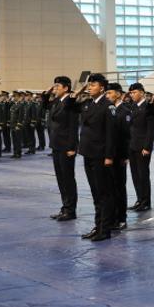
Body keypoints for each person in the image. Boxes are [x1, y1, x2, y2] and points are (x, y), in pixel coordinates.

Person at [76, 74, 117, 242]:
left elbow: (111, 134)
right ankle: (98, 225)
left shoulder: (108, 106)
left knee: (103, 193)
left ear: (102, 88)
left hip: (101, 155)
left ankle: (105, 229)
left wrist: (109, 156)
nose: (89, 87)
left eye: (93, 85)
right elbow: (72, 104)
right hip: (88, 153)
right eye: (89, 85)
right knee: (95, 193)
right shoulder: (89, 104)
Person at [44, 77, 80, 221]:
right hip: (56, 145)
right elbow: (44, 104)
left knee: (68, 179)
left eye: (58, 86)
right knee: (61, 179)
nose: (55, 88)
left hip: (66, 147)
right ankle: (65, 207)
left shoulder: (70, 103)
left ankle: (71, 210)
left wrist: (73, 147)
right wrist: (47, 92)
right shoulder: (56, 102)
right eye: (54, 86)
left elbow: (73, 127)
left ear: (66, 88)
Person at [127, 83, 154, 212]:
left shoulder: (148, 107)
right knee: (135, 175)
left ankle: (146, 201)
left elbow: (151, 130)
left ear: (142, 93)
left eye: (134, 93)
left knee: (143, 175)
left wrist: (147, 147)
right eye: (131, 93)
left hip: (142, 147)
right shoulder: (132, 107)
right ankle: (139, 199)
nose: (132, 95)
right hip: (132, 145)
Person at [106, 82, 132, 230]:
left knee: (119, 187)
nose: (107, 96)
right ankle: (112, 216)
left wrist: (125, 156)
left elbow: (126, 136)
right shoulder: (109, 110)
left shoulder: (125, 111)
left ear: (118, 94)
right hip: (108, 153)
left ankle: (121, 218)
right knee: (109, 187)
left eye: (110, 93)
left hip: (119, 155)